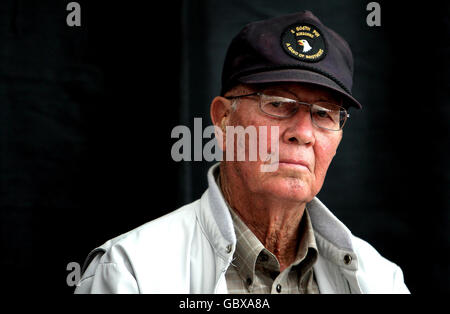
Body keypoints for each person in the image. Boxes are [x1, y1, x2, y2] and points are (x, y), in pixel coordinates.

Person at [74, 10, 409, 294]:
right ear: (223, 119)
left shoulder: (381, 281)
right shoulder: (130, 273)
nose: (304, 133)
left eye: (324, 114)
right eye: (278, 104)